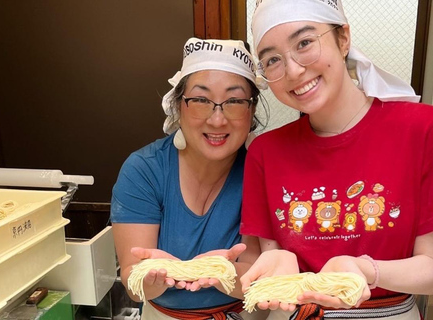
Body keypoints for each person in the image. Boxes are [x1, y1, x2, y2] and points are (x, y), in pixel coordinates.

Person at [238, 1, 433, 320]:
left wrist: (365, 270)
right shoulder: (265, 151)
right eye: (272, 59)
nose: (293, 71)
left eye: (304, 43)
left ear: (343, 38)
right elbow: (270, 260)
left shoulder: (422, 130)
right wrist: (279, 264)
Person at [110, 37, 269, 319]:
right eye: (200, 100)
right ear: (178, 106)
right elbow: (133, 284)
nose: (217, 120)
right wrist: (148, 278)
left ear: (251, 110)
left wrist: (223, 273)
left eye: (233, 101)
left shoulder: (262, 169)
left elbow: (260, 281)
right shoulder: (144, 170)